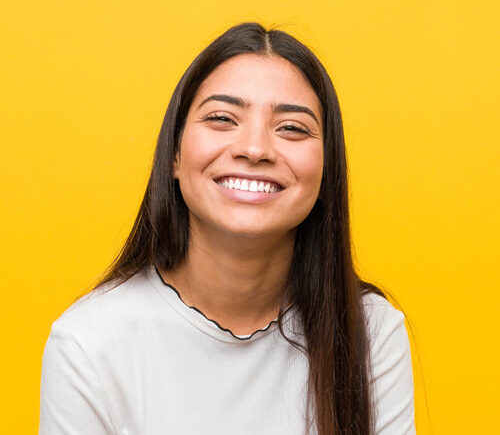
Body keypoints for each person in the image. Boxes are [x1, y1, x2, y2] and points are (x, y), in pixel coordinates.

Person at [39, 22, 416, 435]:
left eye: (291, 127)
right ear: (175, 157)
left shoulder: (370, 332)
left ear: (326, 173)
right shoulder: (88, 344)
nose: (254, 149)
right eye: (222, 118)